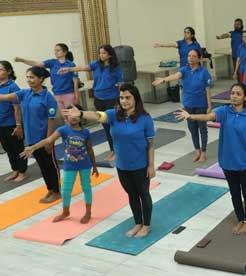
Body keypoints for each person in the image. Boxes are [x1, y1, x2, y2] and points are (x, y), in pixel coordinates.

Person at [63, 84, 155, 237]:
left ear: (135, 98)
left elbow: (151, 144)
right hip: (122, 166)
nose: (124, 101)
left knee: (143, 194)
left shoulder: (144, 118)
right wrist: (81, 114)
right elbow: (98, 115)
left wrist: (151, 166)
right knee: (131, 195)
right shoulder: (113, 115)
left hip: (140, 165)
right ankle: (138, 223)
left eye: (128, 98)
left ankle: (146, 225)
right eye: (122, 98)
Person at [176, 83, 246, 234]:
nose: (234, 96)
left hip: (245, 163)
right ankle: (240, 219)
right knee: (234, 193)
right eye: (232, 93)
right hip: (227, 162)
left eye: (238, 94)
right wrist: (191, 116)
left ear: (245, 97)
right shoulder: (224, 111)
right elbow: (209, 116)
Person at [21, 105, 98, 223]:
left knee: (86, 188)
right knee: (66, 190)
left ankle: (88, 212)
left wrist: (94, 166)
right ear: (66, 116)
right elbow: (48, 140)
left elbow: (90, 150)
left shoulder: (85, 132)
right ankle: (65, 211)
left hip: (84, 166)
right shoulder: (63, 130)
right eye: (70, 114)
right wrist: (33, 147)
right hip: (69, 166)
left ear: (81, 116)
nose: (73, 117)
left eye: (75, 114)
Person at [0, 66, 60, 202]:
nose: (29, 80)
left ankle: (56, 191)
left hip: (44, 138)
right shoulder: (25, 93)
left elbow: (51, 121)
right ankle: (50, 190)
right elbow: (5, 97)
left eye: (32, 77)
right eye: (27, 77)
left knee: (50, 165)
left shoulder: (48, 98)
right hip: (32, 138)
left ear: (41, 79)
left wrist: (49, 140)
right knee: (42, 166)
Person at [58, 44, 123, 162]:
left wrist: (121, 100)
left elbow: (121, 85)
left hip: (111, 99)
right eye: (100, 53)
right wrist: (68, 69)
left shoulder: (116, 68)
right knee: (105, 126)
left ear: (109, 54)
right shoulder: (96, 64)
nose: (101, 55)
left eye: (103, 53)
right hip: (99, 99)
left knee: (113, 125)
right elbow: (83, 67)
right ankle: (113, 149)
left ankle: (117, 150)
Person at [152, 48, 212, 162]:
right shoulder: (184, 70)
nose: (191, 58)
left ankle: (203, 152)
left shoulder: (204, 72)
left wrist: (209, 105)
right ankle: (197, 151)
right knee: (192, 129)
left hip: (201, 105)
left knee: (202, 129)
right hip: (188, 105)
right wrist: (164, 80)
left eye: (194, 56)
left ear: (199, 58)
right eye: (189, 56)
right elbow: (175, 76)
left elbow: (207, 89)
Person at [15, 43, 79, 117]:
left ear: (64, 52)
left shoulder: (71, 65)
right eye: (55, 50)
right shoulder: (52, 62)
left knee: (72, 116)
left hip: (68, 94)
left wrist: (76, 97)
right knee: (64, 117)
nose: (55, 52)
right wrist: (22, 60)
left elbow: (75, 82)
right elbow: (37, 64)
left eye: (58, 50)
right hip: (57, 94)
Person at [0, 61, 27, 183]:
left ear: (9, 72)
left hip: (12, 124)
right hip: (1, 124)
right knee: (8, 148)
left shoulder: (13, 87)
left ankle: (22, 172)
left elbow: (17, 108)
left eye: (1, 69)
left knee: (18, 148)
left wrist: (18, 125)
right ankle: (15, 170)